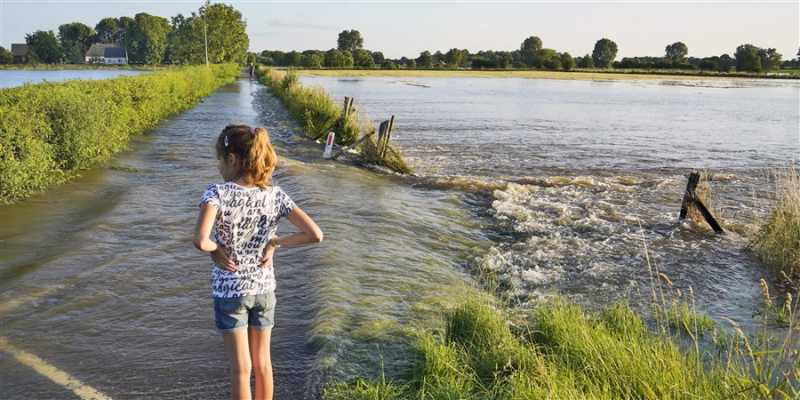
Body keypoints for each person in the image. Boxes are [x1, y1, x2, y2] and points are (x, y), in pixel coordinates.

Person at [193, 124, 323, 400]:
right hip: (264, 289)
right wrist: (275, 242)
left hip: (230, 290)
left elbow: (200, 240)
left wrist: (215, 249)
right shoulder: (275, 194)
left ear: (232, 159)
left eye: (219, 159)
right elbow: (314, 235)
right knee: (263, 364)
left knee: (241, 368)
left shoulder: (217, 192)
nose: (218, 167)